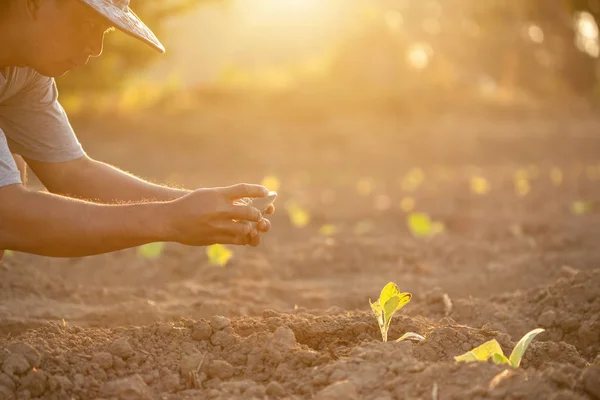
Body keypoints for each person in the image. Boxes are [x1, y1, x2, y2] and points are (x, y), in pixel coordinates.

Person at [0, 0, 274, 261]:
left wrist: (205, 207)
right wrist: (171, 220)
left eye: (104, 30)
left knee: (12, 164)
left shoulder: (23, 72)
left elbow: (71, 171)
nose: (96, 48)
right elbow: (7, 214)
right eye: (87, 24)